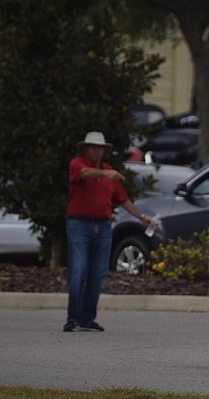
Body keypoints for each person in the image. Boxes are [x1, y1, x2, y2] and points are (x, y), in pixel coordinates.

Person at [64, 131, 151, 332]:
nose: (96, 150)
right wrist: (106, 174)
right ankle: (73, 317)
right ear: (85, 148)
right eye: (93, 147)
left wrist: (142, 217)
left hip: (103, 226)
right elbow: (84, 174)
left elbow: (122, 199)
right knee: (79, 269)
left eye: (100, 147)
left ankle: (87, 317)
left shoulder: (108, 170)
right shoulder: (78, 164)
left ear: (104, 150)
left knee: (98, 273)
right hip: (79, 224)